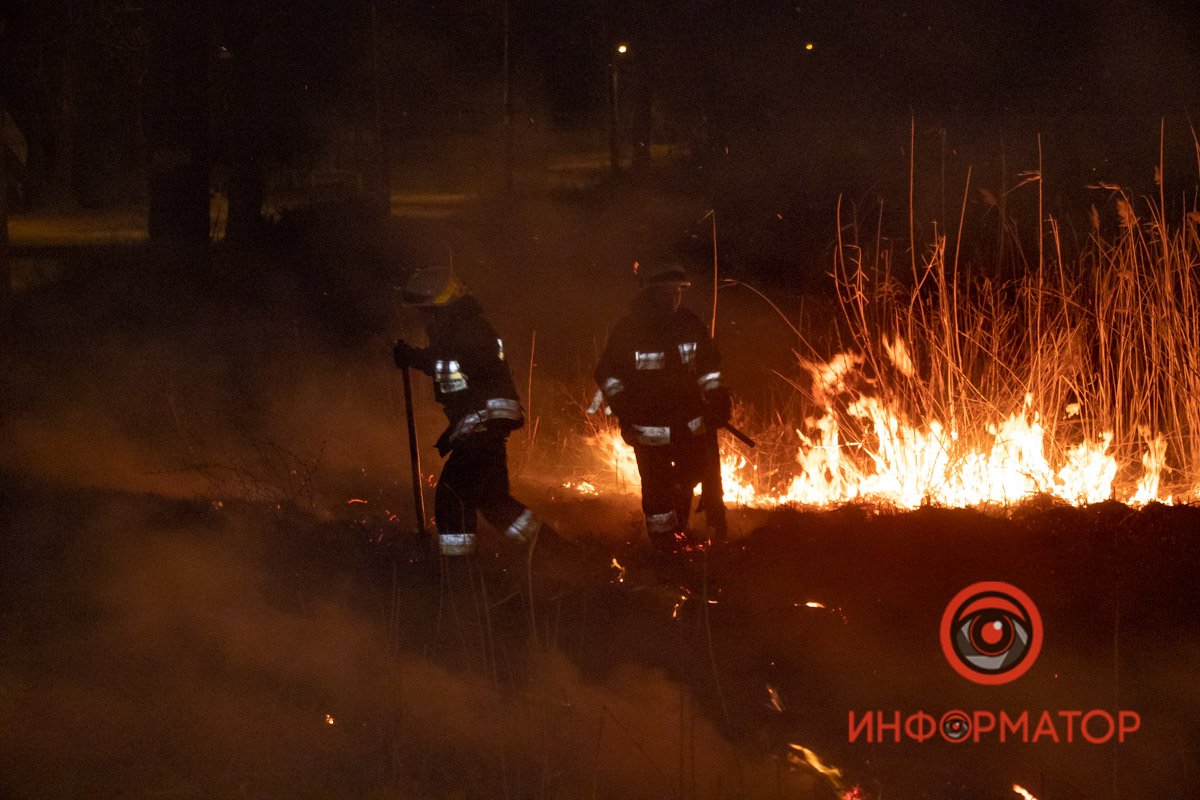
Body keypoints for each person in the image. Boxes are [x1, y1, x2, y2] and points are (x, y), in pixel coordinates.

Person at [392, 266, 543, 558]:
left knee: (453, 500)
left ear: (443, 308)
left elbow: (453, 358)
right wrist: (418, 357)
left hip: (484, 427)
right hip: (485, 428)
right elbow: (449, 362)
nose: (424, 320)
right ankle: (551, 550)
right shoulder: (459, 331)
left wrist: (414, 357)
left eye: (427, 312)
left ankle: (458, 571)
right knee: (496, 505)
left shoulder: (471, 331)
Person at [594, 260, 731, 555]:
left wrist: (717, 396)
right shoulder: (630, 328)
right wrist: (625, 408)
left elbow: (709, 366)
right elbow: (607, 373)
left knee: (691, 476)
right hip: (649, 429)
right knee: (657, 493)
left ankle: (681, 532)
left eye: (677, 291)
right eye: (666, 292)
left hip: (689, 425)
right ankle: (663, 548)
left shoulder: (690, 324)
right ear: (650, 293)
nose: (674, 298)